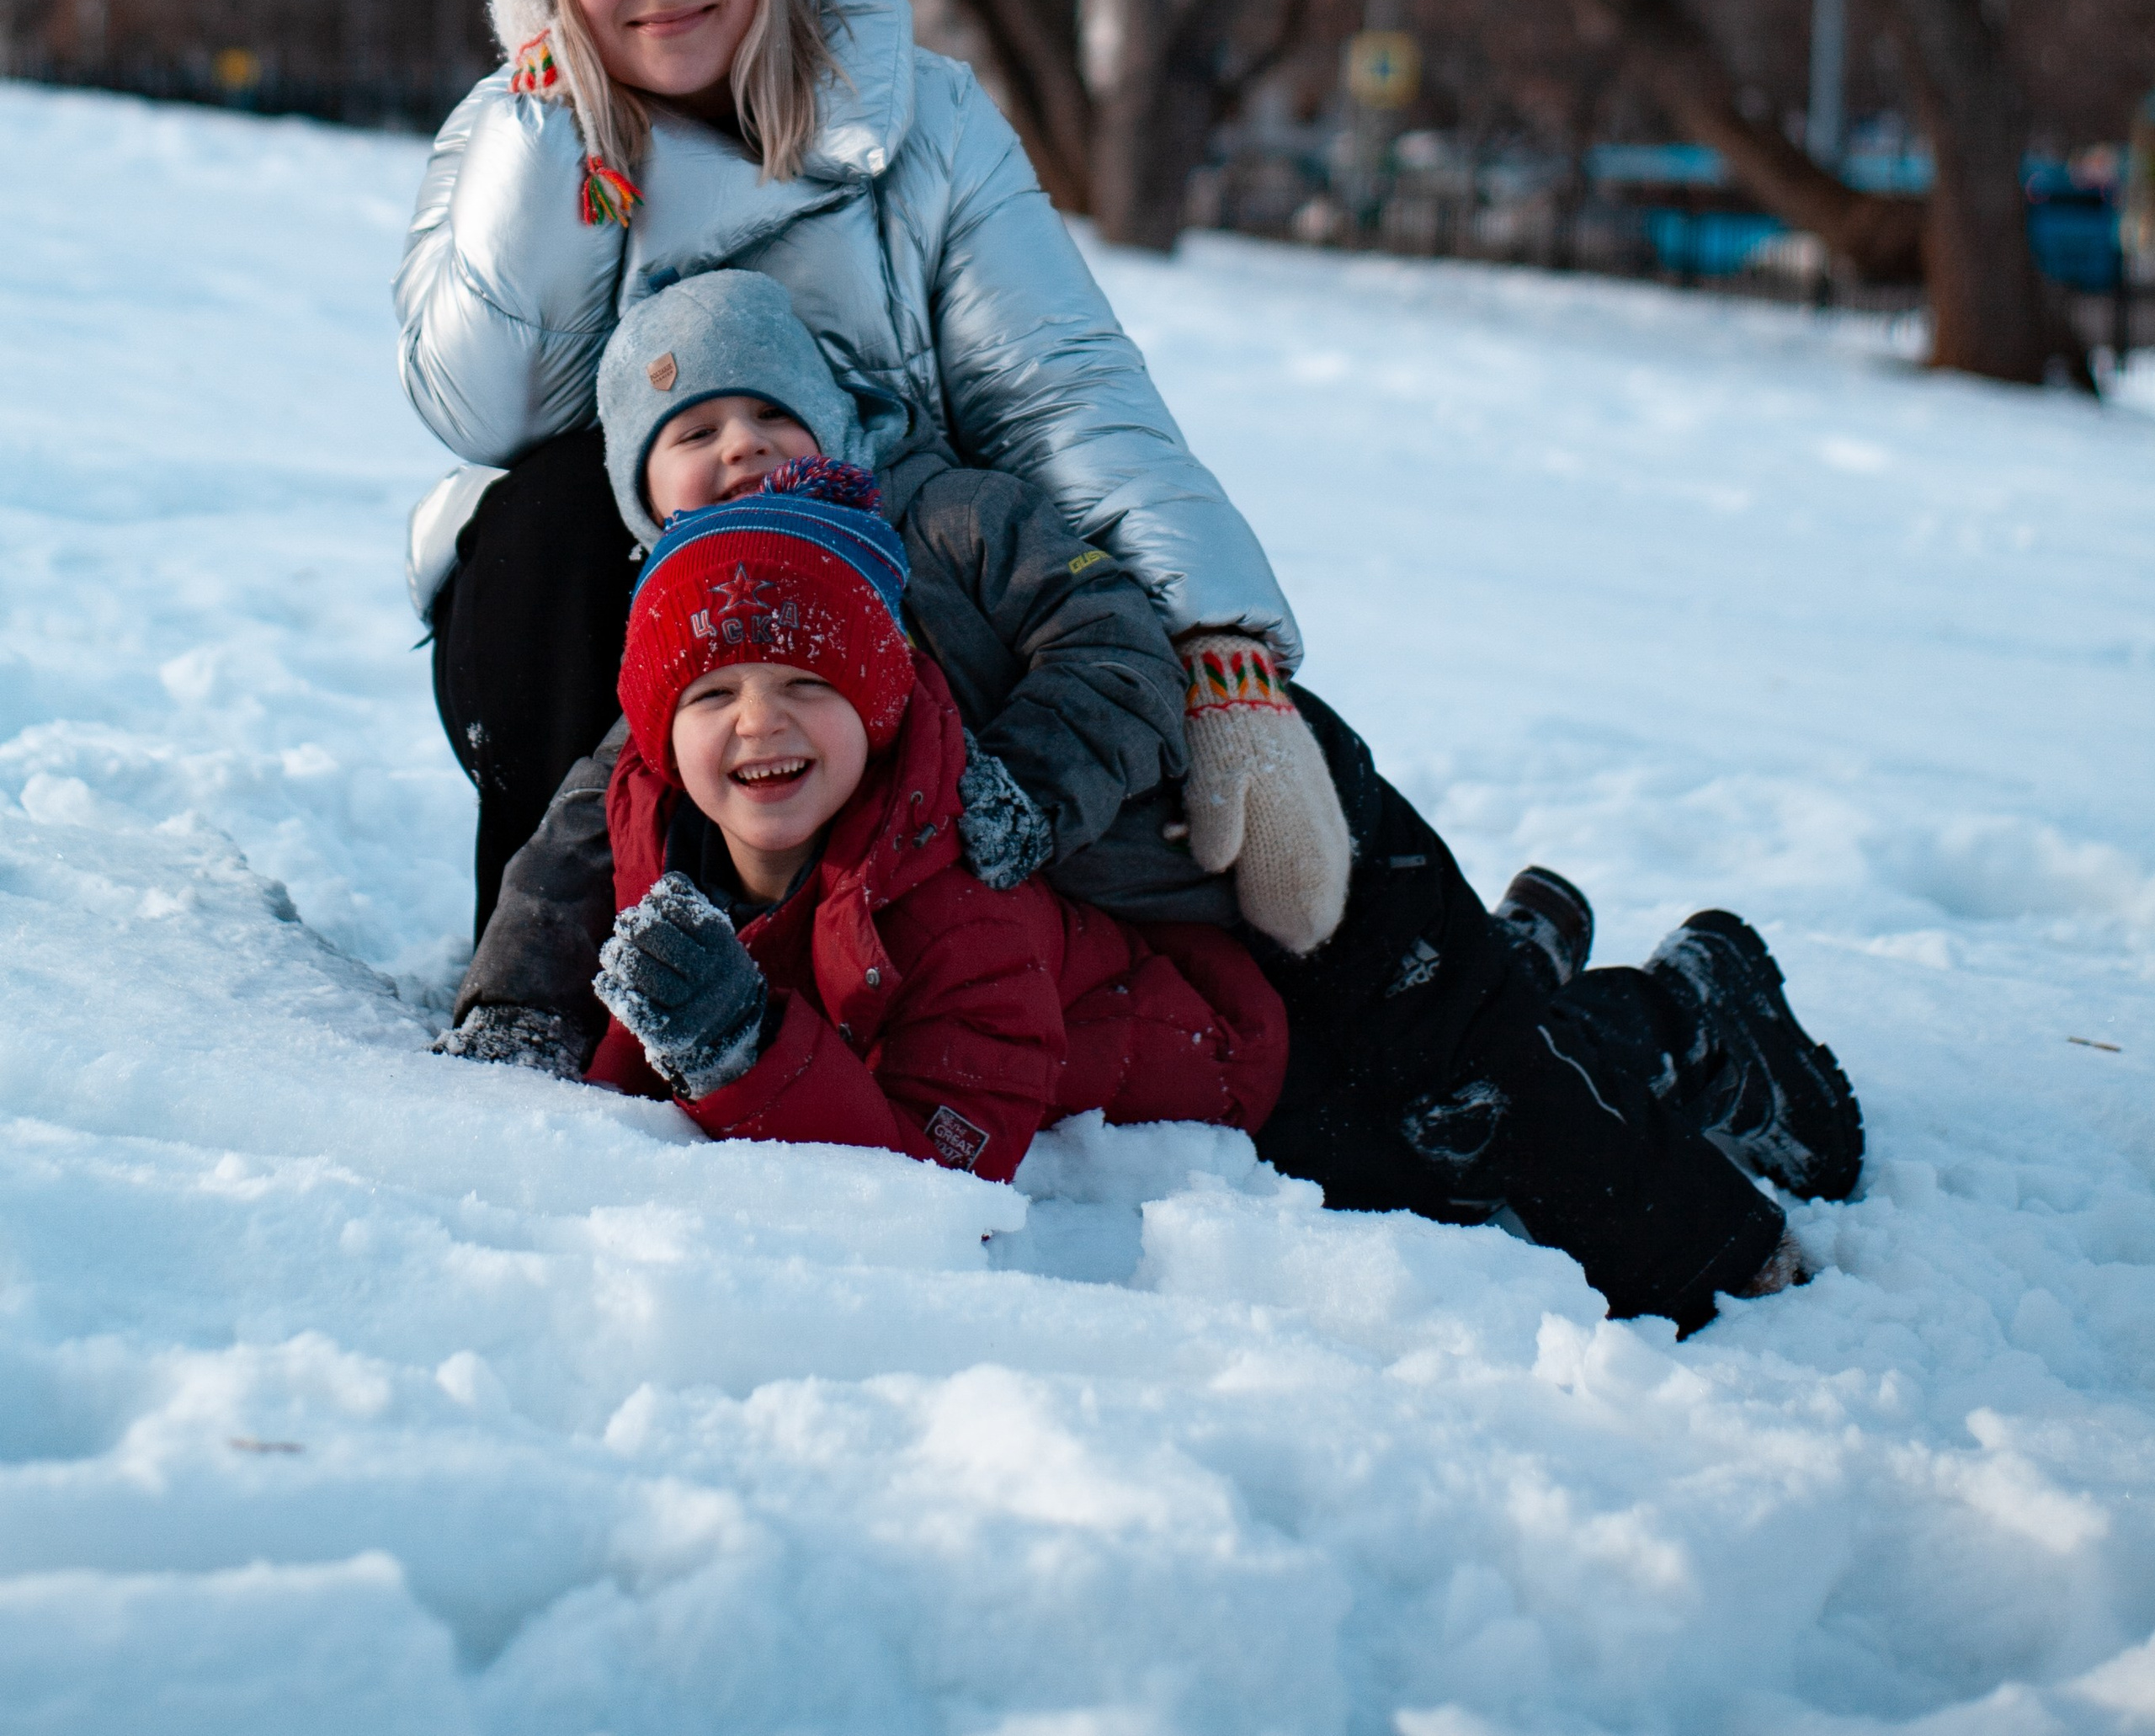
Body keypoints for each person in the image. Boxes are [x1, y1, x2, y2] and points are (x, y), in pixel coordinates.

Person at [444, 273, 1864, 1334]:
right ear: (643, 487)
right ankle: (1568, 973)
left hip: (1247, 834)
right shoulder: (681, 656)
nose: (744, 443)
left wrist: (1032, 789)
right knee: (1420, 1093)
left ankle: (1708, 1145)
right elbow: (585, 831)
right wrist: (514, 1001)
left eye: (772, 408)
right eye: (698, 426)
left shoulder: (943, 525)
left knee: (1469, 1069)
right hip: (1137, 944)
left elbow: (1109, 639)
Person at [397, 0, 1349, 945]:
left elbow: (1061, 388)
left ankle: (1515, 1024)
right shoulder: (507, 138)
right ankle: (552, 961)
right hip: (649, 641)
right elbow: (484, 410)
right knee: (538, 520)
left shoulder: (925, 121)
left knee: (1295, 770)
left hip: (917, 593)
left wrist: (1220, 637)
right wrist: (549, 130)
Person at [572, 457, 1287, 1177]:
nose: (759, 722)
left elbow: (939, 1182)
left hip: (1204, 1053)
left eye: (807, 683)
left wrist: (740, 1054)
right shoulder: (656, 829)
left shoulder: (959, 906)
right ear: (659, 733)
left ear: (879, 707)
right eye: (713, 695)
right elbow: (642, 1048)